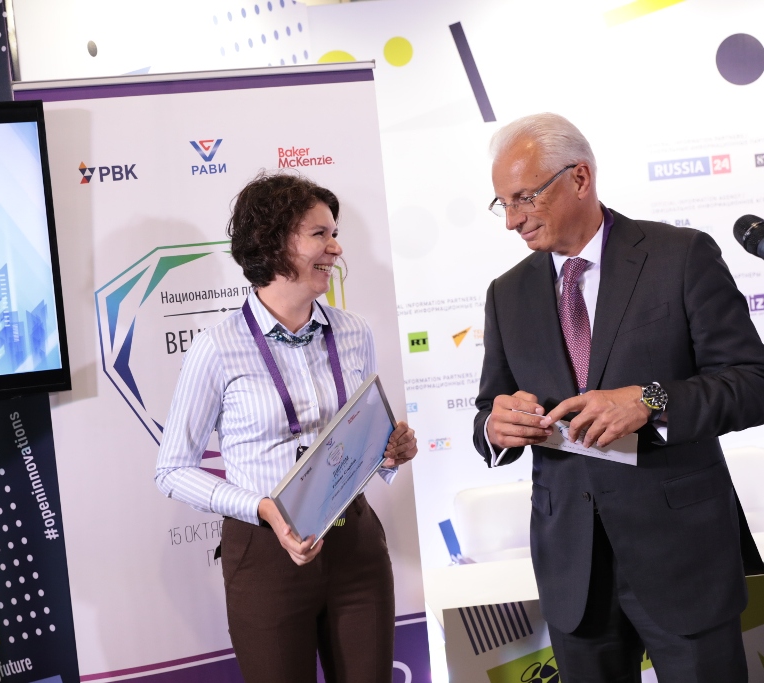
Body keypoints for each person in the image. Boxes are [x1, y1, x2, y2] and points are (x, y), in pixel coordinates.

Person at [472, 112, 764, 682]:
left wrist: (650, 400)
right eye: (501, 204)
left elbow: (752, 381)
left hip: (683, 561)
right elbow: (490, 406)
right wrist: (493, 427)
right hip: (573, 573)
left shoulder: (681, 256)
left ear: (579, 178)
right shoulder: (507, 293)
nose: (511, 220)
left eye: (524, 198)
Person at [156, 172, 417, 683]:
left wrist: (389, 451)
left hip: (355, 544)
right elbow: (172, 470)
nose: (336, 248)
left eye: (334, 233)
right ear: (274, 242)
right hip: (265, 552)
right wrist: (262, 508)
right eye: (320, 234)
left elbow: (361, 441)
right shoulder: (217, 347)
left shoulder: (354, 332)